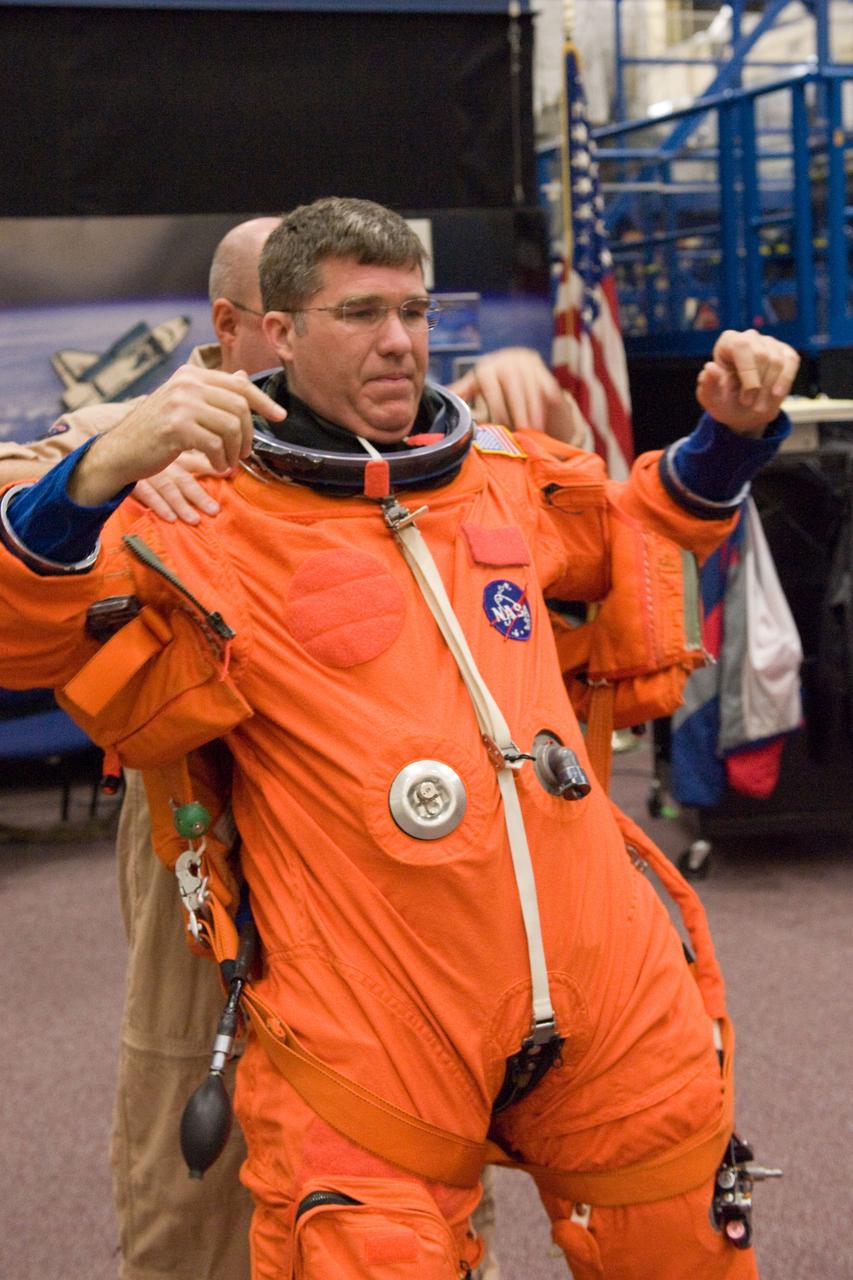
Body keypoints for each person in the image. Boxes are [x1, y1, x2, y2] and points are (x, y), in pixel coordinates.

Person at [0, 197, 799, 1280]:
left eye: (413, 311)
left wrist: (728, 439)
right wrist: (97, 472)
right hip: (328, 959)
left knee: (675, 1219)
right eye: (360, 313)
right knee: (293, 1219)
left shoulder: (496, 473)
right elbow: (25, 618)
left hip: (569, 959)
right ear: (261, 329)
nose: (398, 339)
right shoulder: (178, 494)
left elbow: (626, 533)